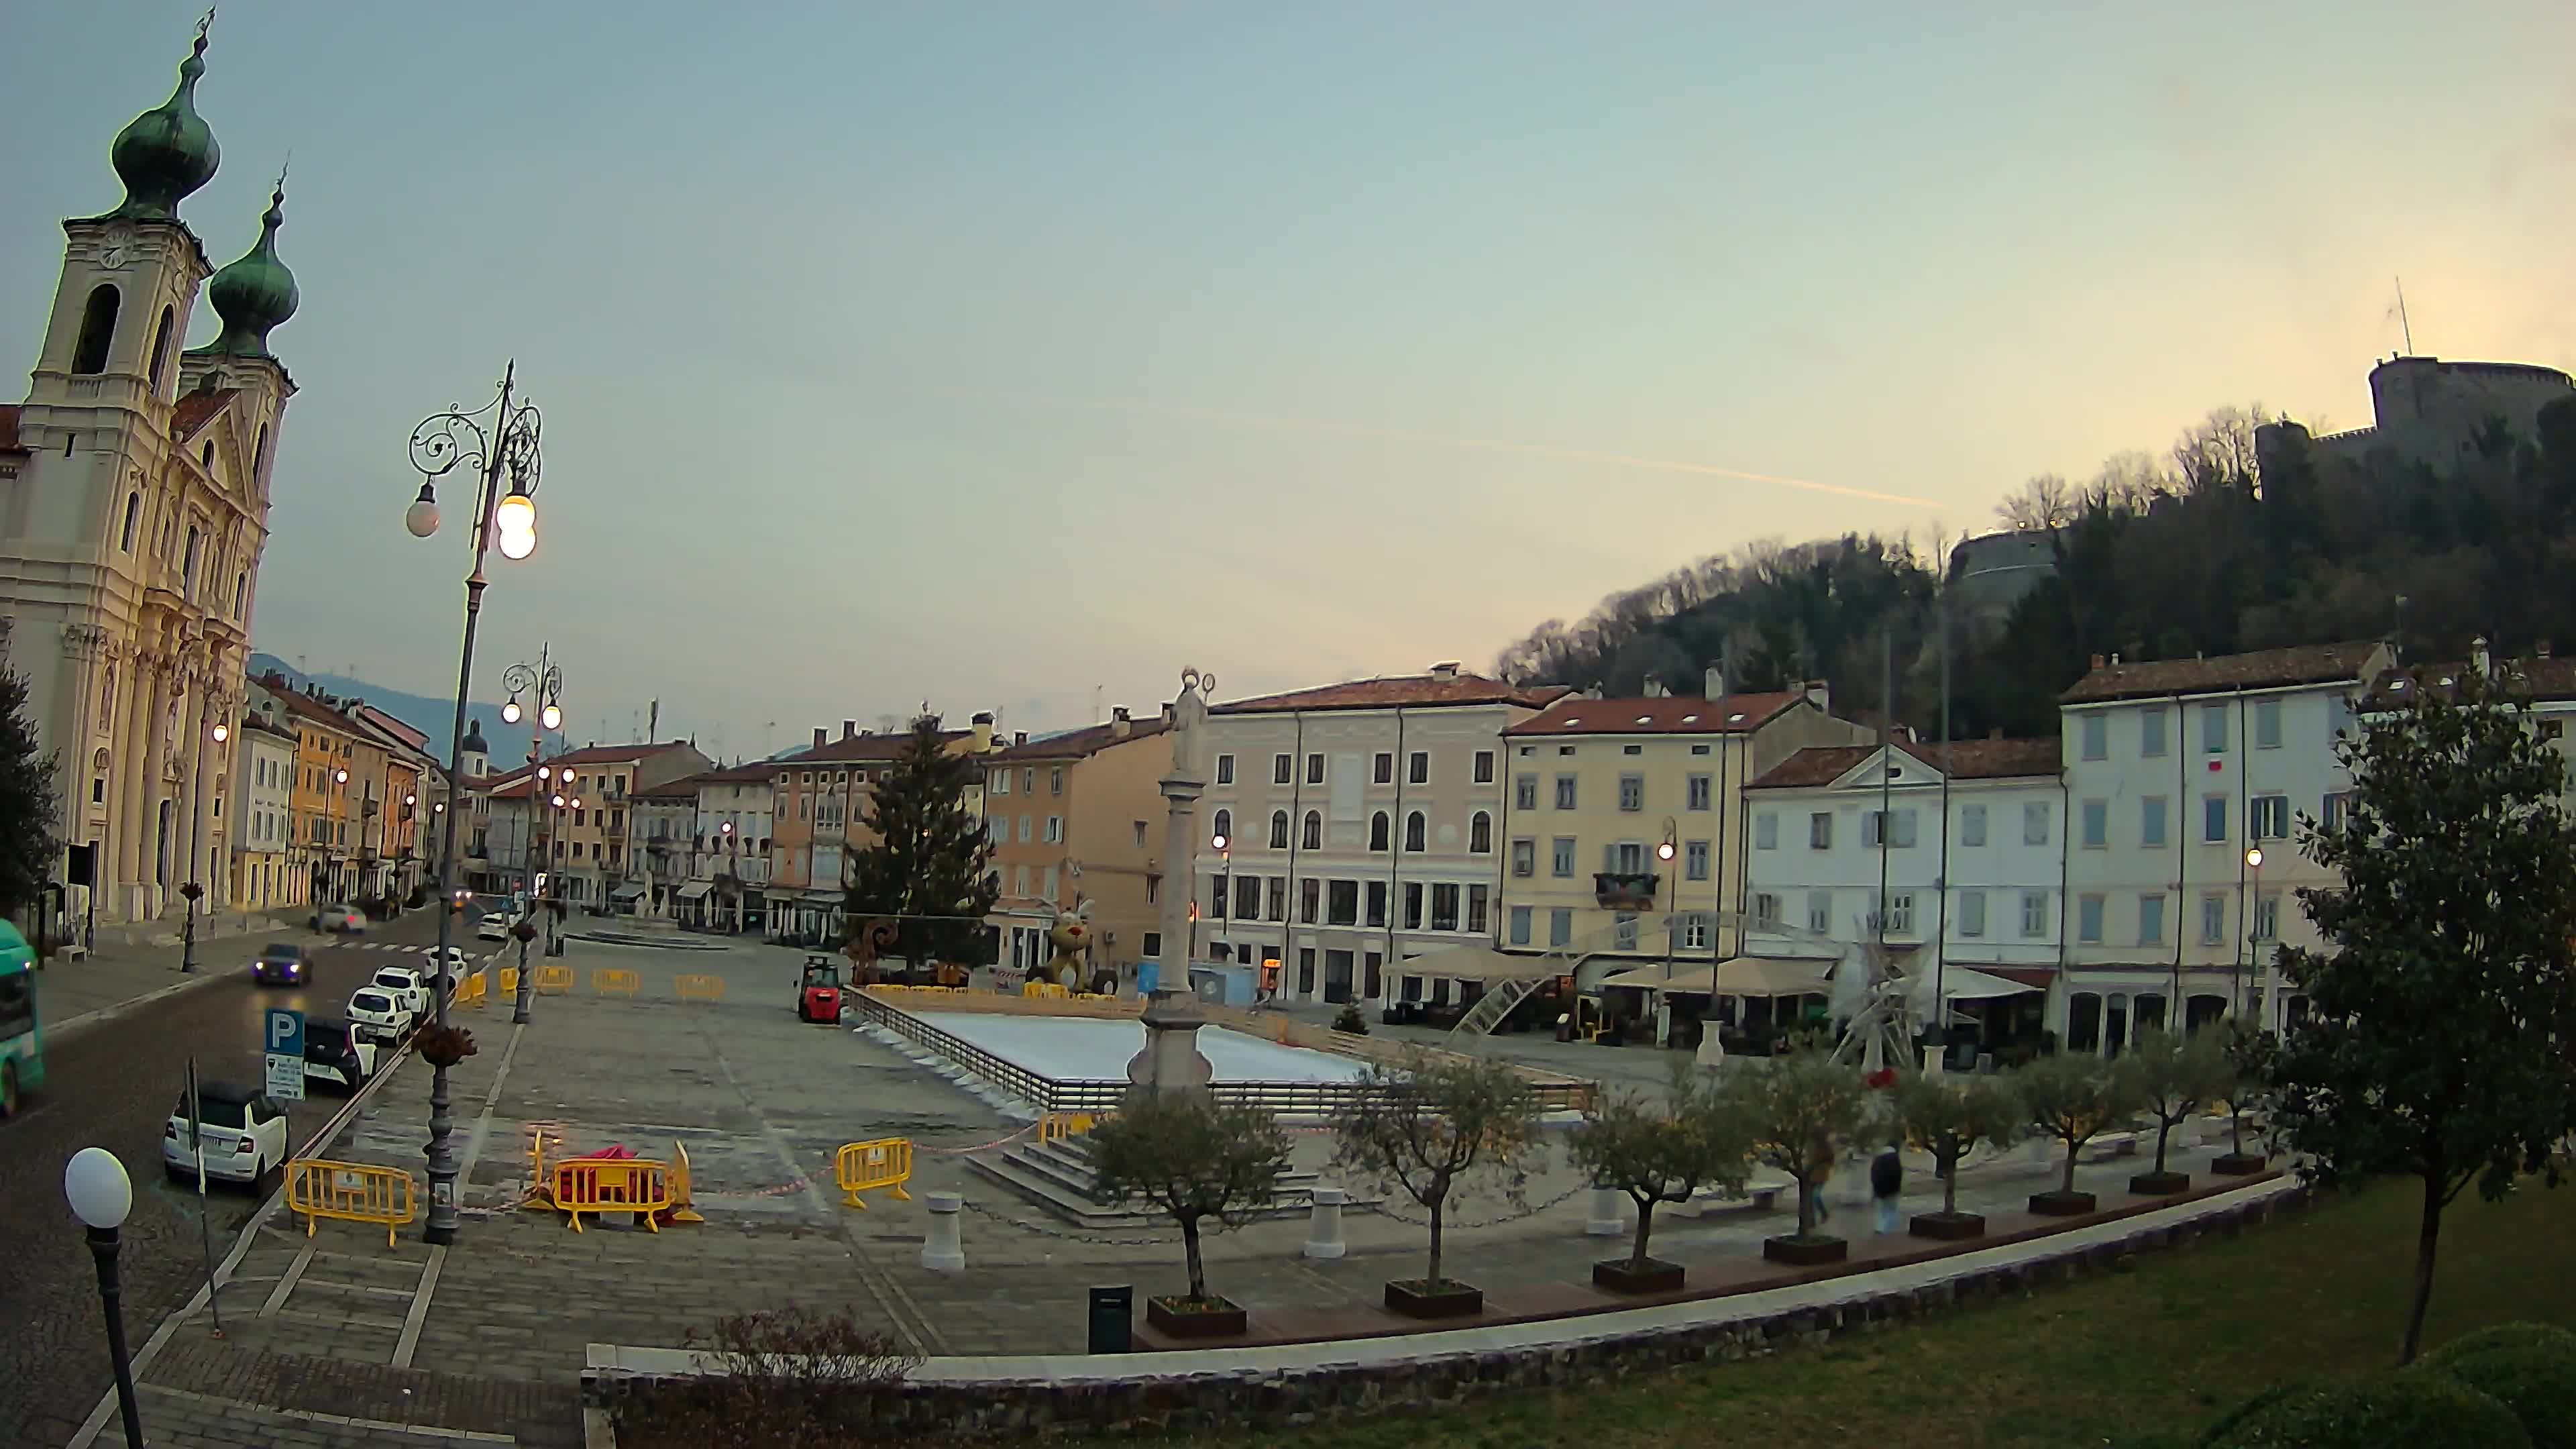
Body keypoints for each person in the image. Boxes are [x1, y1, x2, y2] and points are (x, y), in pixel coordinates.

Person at [1871, 1143, 1904, 1235]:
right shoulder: (1895, 1159)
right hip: (1892, 1190)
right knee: (1891, 1211)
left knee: (1882, 1210)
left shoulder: (1878, 1159)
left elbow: (1874, 1175)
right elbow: (1898, 1175)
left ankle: (1880, 1227)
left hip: (1879, 1190)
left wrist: (1875, 1189)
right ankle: (1885, 1230)